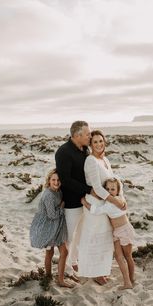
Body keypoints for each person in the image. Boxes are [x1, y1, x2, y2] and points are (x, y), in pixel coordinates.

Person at [77, 130, 126, 285]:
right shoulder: (90, 160)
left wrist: (120, 199)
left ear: (105, 142)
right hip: (96, 203)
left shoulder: (105, 159)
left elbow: (112, 183)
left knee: (105, 238)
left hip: (106, 203)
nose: (99, 144)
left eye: (101, 141)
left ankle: (101, 270)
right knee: (94, 238)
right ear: (90, 145)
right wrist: (116, 202)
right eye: (95, 142)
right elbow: (97, 188)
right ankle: (94, 272)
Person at [81, 177, 135, 289]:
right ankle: (127, 282)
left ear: (118, 190)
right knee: (119, 257)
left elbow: (96, 210)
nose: (110, 192)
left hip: (124, 230)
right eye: (107, 189)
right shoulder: (109, 202)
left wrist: (84, 202)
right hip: (116, 232)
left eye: (113, 189)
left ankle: (131, 278)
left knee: (128, 256)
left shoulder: (117, 201)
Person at [55, 121, 92, 277]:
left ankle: (73, 261)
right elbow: (66, 179)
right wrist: (88, 190)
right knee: (69, 237)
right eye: (88, 134)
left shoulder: (85, 149)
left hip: (85, 200)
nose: (90, 136)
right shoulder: (63, 152)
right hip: (71, 202)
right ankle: (66, 269)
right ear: (77, 135)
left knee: (80, 234)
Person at [29, 169, 74, 288]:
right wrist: (62, 206)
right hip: (47, 226)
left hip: (58, 225)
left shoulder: (59, 191)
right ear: (49, 181)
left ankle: (60, 279)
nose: (56, 182)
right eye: (53, 180)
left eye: (58, 180)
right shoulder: (48, 195)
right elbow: (52, 215)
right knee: (50, 252)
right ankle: (48, 276)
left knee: (64, 251)